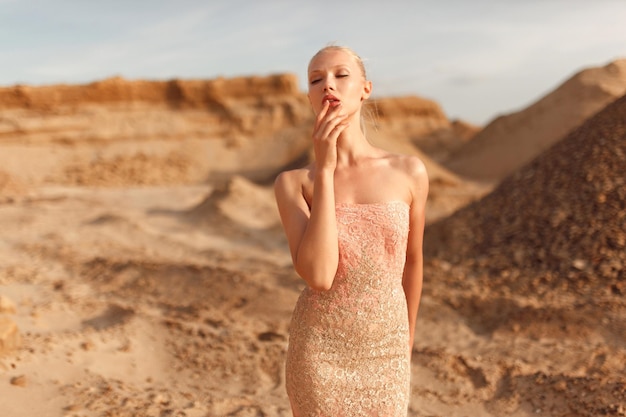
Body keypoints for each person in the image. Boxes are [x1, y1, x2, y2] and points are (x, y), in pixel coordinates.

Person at [274, 45, 429, 417]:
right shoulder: (294, 184)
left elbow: (412, 263)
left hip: (387, 352)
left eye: (341, 75)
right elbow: (320, 275)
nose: (328, 85)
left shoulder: (409, 172)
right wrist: (325, 171)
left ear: (365, 88)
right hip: (319, 352)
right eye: (316, 79)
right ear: (310, 97)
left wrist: (404, 344)